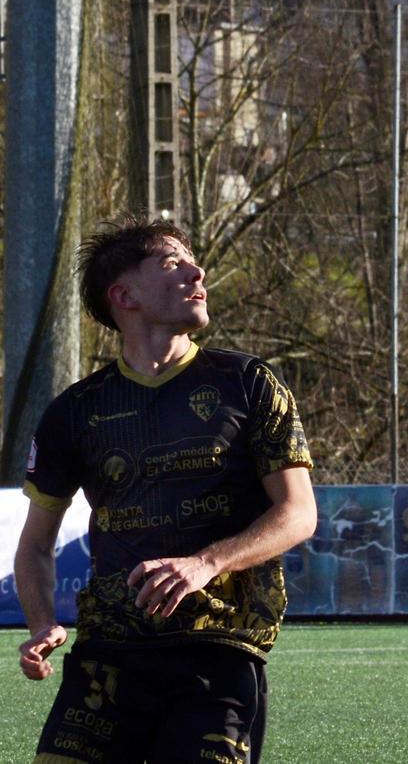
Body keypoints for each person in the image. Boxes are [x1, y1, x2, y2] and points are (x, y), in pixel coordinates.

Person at [15, 216, 317, 764]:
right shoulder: (75, 411)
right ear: (123, 295)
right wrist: (42, 624)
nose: (199, 271)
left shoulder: (248, 384)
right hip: (108, 654)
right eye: (174, 263)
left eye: (194, 260)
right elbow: (35, 545)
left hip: (218, 653)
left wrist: (205, 563)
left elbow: (298, 514)